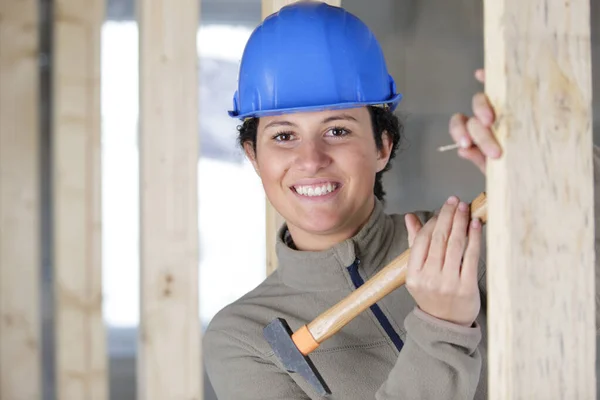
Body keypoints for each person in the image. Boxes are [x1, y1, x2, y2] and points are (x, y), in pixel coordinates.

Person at [203, 2, 600, 399]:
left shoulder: (469, 245)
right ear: (254, 156)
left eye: (337, 130)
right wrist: (441, 328)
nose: (311, 160)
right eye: (284, 136)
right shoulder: (243, 338)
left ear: (382, 146)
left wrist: (551, 155)